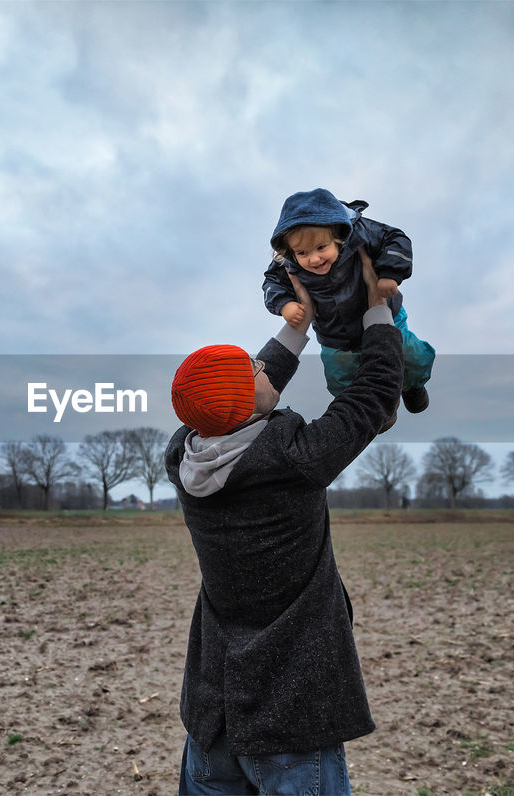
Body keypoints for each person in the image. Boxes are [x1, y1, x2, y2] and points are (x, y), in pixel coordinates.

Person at [166, 251, 404, 795]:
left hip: (212, 715)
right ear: (248, 401)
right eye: (254, 370)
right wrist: (375, 307)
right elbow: (374, 392)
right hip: (292, 718)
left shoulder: (184, 456)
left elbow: (241, 395)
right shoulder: (296, 458)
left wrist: (302, 318)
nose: (261, 367)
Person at [262, 187, 435, 431]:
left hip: (386, 318)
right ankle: (366, 407)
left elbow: (396, 238)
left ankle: (413, 385)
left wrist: (390, 273)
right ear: (291, 251)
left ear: (338, 235)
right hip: (335, 335)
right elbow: (272, 282)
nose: (314, 259)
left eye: (321, 248)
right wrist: (285, 305)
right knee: (340, 378)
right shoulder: (286, 263)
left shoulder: (361, 234)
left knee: (411, 355)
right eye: (302, 253)